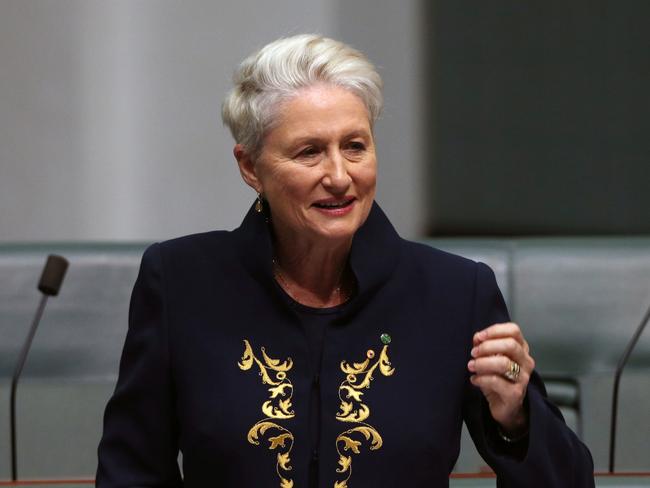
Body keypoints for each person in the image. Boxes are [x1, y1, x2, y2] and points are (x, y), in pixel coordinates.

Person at [96, 34, 594, 487]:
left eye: (355, 147)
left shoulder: (455, 292)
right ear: (250, 166)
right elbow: (130, 474)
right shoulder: (183, 281)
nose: (339, 176)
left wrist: (516, 415)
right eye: (310, 152)